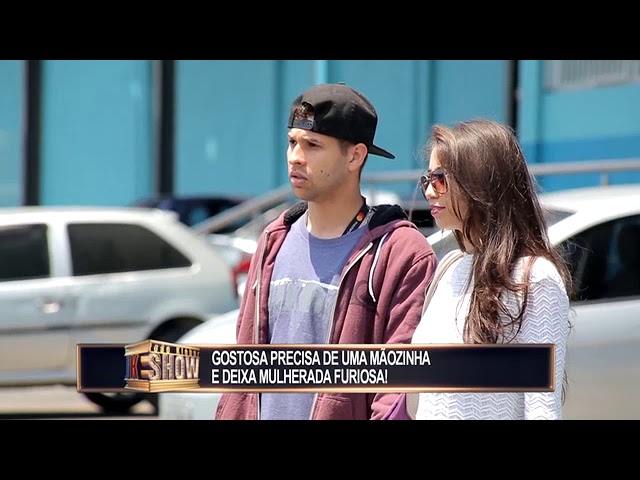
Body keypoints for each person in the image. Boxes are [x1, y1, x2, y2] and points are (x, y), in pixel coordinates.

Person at [214, 82, 438, 420]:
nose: (295, 157)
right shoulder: (273, 240)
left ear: (356, 156)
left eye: (313, 145)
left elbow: (397, 390)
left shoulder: (399, 253)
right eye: (292, 142)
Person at [408, 119, 573, 420]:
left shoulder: (534, 278)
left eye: (440, 179)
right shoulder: (451, 267)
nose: (429, 191)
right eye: (426, 180)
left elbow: (542, 409)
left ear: (478, 182)